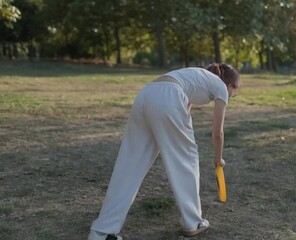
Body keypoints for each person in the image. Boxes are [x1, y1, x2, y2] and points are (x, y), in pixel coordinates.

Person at [87, 63, 241, 240]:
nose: (231, 96)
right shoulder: (221, 86)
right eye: (234, 93)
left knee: (130, 163)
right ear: (230, 85)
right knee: (186, 159)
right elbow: (218, 133)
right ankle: (193, 222)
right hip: (169, 96)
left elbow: (185, 106)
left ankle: (101, 232)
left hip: (147, 93)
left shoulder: (196, 76)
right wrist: (218, 158)